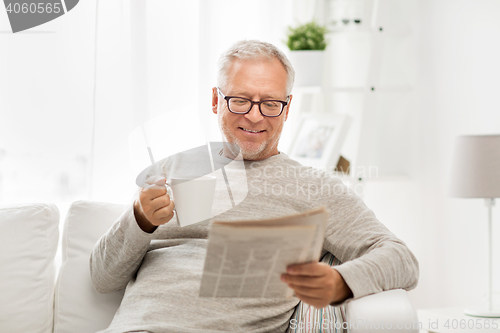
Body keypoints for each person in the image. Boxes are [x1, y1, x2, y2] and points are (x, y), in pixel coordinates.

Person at [90, 40, 419, 333]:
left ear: (287, 109)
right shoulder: (170, 168)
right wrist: (139, 218)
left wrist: (341, 282)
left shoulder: (315, 188)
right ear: (217, 100)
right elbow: (102, 277)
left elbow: (401, 259)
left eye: (270, 104)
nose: (255, 117)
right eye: (241, 100)